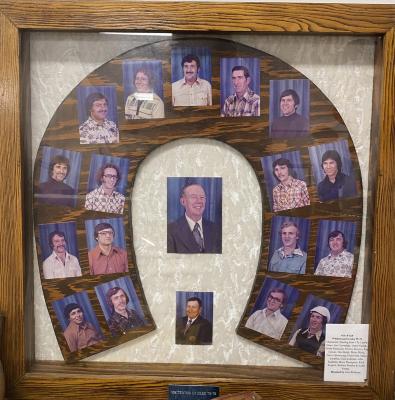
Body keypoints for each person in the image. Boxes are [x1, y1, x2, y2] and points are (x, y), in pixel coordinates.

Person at [167, 183, 221, 254]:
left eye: (202, 197)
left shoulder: (216, 229)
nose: (199, 201)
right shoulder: (170, 231)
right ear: (183, 201)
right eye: (193, 197)